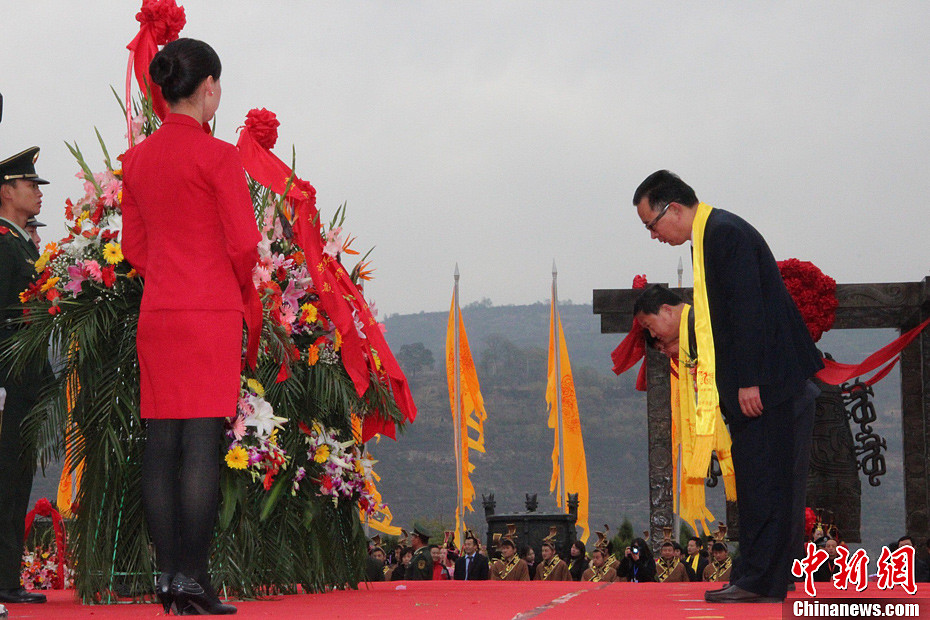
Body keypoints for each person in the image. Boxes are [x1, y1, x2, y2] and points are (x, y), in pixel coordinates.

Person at [634, 170, 823, 603]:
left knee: (766, 481)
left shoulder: (723, 234)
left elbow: (747, 311)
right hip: (764, 383)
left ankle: (760, 581)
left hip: (767, 383)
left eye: (652, 225)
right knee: (764, 479)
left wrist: (749, 380)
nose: (653, 236)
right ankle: (762, 577)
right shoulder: (712, 235)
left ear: (674, 208)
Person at [121, 38, 261, 615]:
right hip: (209, 312)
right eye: (219, 86)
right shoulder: (219, 157)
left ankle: (167, 577)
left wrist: (172, 276)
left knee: (161, 445)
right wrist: (217, 280)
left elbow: (134, 249)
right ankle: (194, 579)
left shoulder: (137, 161)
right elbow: (246, 242)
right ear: (207, 87)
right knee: (202, 443)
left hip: (160, 313)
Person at [0, 146, 50, 605]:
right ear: (6, 191)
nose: (38, 193)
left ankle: (7, 577)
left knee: (15, 479)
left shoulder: (17, 241)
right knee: (6, 478)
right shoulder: (1, 242)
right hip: (9, 380)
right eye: (30, 185)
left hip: (25, 381)